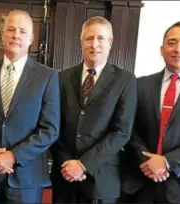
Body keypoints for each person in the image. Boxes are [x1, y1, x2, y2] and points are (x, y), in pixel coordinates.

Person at [0, 10, 60, 204]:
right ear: (3, 34)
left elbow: (49, 129)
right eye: (11, 29)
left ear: (31, 38)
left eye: (22, 31)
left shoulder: (47, 76)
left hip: (26, 179)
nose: (16, 35)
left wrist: (13, 156)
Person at [121, 21, 180, 203]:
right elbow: (128, 128)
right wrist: (148, 161)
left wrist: (166, 162)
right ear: (161, 49)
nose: (178, 49)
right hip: (140, 182)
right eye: (171, 43)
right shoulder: (140, 84)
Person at [50, 16, 137, 203]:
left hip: (101, 179)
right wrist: (67, 162)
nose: (94, 44)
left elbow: (122, 131)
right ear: (81, 42)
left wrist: (83, 164)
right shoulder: (62, 78)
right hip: (64, 176)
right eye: (89, 38)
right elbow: (52, 124)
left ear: (110, 42)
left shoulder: (125, 80)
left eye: (100, 38)